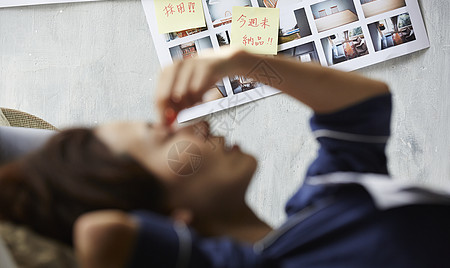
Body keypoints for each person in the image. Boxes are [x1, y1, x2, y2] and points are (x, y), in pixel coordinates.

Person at [70, 49, 450, 268]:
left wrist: (239, 61)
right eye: (162, 136)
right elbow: (100, 234)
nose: (197, 125)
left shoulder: (327, 195)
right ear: (169, 221)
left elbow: (363, 107)